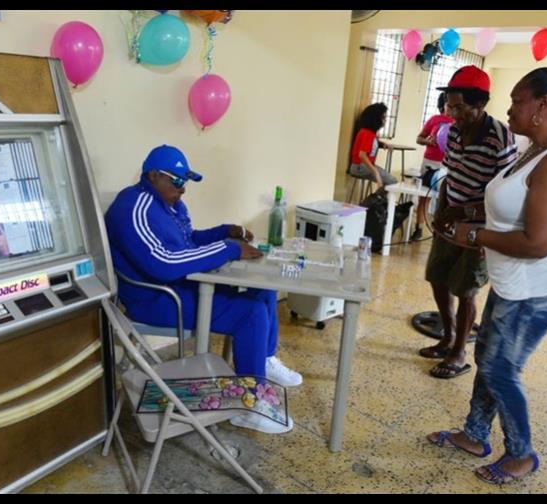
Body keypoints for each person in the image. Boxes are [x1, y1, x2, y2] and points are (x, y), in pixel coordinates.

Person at [426, 61, 547, 485]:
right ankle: (475, 434)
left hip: (540, 291)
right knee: (488, 359)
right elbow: (511, 208)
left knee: (501, 369)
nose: (510, 109)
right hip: (513, 282)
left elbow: (539, 242)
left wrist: (476, 236)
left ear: (543, 105)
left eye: (518, 101)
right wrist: (465, 214)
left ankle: (522, 454)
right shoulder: (535, 149)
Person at [104, 145, 302, 434]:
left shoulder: (170, 204)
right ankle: (248, 405)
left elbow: (188, 242)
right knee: (251, 313)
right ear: (153, 176)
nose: (183, 189)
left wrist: (223, 232)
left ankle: (263, 360)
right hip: (157, 297)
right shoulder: (134, 206)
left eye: (186, 182)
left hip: (180, 285)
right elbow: (163, 263)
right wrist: (228, 249)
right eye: (178, 181)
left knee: (263, 288)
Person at [418, 65, 518, 380]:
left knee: (466, 288)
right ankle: (447, 337)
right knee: (438, 276)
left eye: (459, 107)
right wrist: (442, 212)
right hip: (450, 219)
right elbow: (450, 176)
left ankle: (460, 352)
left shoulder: (501, 136)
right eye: (449, 106)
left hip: (481, 226)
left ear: (480, 104)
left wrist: (470, 218)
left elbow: (506, 190)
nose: (453, 113)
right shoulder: (456, 131)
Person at [411, 92, 455, 240]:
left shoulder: (459, 122)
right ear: (443, 105)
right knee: (425, 197)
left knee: (445, 199)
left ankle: (441, 231)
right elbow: (419, 138)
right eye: (449, 104)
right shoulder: (434, 120)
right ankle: (419, 228)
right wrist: (428, 142)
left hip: (447, 165)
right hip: (430, 163)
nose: (451, 108)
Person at [348, 102, 398, 190]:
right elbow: (362, 155)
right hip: (359, 167)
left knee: (391, 181)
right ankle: (376, 202)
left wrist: (382, 144)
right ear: (376, 119)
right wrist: (375, 173)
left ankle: (378, 201)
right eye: (383, 117)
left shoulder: (369, 133)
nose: (385, 120)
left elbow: (371, 144)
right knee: (392, 182)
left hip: (361, 166)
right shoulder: (367, 133)